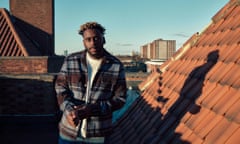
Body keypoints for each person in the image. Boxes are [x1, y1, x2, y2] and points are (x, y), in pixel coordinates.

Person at [55, 22, 127, 144]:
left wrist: (94, 109)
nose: (93, 42)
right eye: (88, 39)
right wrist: (70, 110)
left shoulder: (116, 66)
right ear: (84, 42)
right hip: (69, 132)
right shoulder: (71, 61)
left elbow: (120, 99)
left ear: (103, 40)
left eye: (96, 38)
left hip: (98, 135)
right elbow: (60, 88)